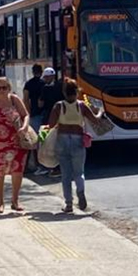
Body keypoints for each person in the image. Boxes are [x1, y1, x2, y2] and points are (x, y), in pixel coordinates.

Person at [46, 79, 102, 213]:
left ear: (64, 92)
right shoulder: (81, 105)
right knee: (79, 172)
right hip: (77, 139)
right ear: (77, 91)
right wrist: (100, 111)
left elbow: (51, 124)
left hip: (62, 139)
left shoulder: (59, 106)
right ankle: (80, 191)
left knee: (66, 174)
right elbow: (95, 120)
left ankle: (69, 204)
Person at [0, 76, 29, 213]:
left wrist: (24, 127)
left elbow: (25, 115)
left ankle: (15, 200)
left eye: (4, 87)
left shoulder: (14, 100)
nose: (1, 90)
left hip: (16, 141)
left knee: (17, 171)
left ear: (9, 88)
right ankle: (0, 202)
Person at [37, 67, 63, 176]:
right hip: (60, 118)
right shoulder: (60, 86)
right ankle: (59, 167)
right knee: (59, 142)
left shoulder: (45, 89)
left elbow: (40, 104)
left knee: (43, 140)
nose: (45, 79)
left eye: (47, 77)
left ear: (51, 77)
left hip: (47, 118)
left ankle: (46, 166)